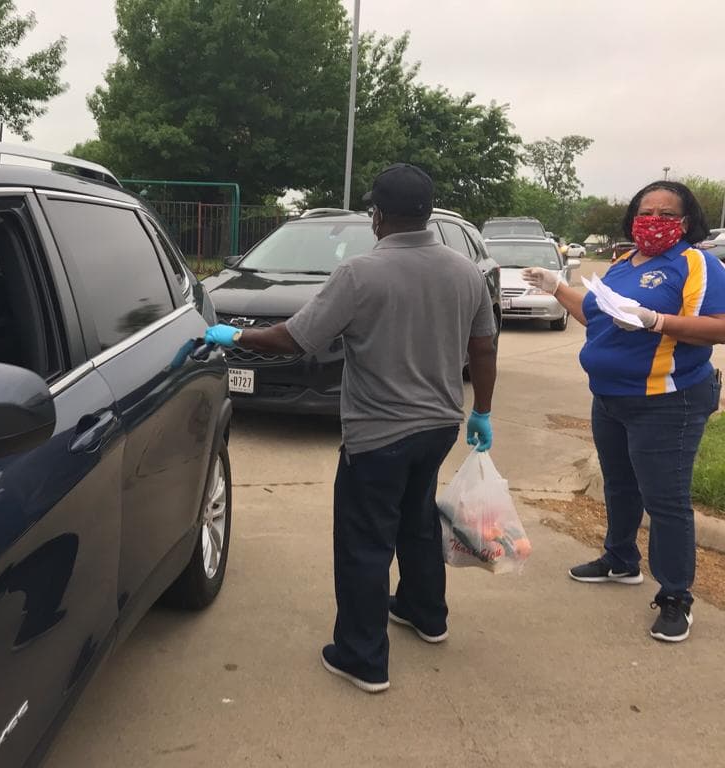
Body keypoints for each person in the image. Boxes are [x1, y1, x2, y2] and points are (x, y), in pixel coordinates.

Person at [203, 163, 498, 692]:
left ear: (377, 215)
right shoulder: (466, 272)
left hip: (378, 435)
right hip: (439, 427)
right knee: (417, 522)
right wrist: (484, 410)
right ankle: (425, 615)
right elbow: (484, 346)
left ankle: (362, 658)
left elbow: (297, 339)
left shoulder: (359, 274)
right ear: (428, 213)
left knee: (364, 543)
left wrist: (234, 337)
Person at [523, 180, 725, 643]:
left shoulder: (696, 264)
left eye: (664, 213)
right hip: (611, 397)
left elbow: (718, 327)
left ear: (686, 221)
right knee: (619, 483)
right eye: (644, 210)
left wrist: (657, 321)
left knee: (665, 499)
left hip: (665, 400)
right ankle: (620, 559)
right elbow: (597, 316)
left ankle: (676, 595)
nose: (652, 219)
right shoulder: (621, 264)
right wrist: (557, 288)